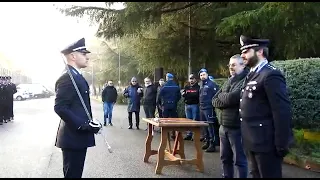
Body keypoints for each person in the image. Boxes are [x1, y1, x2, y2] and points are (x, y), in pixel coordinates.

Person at [239, 35, 293, 178]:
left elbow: (281, 110)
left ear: (260, 52)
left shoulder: (270, 74)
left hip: (266, 143)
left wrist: (282, 143)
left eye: (246, 51)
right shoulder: (252, 74)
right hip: (252, 140)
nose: (242, 55)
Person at [54, 38, 101, 178]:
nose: (87, 57)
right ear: (73, 56)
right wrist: (83, 125)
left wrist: (91, 123)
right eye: (83, 54)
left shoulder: (76, 76)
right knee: (73, 175)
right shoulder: (67, 78)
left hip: (76, 138)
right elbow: (60, 107)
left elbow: (78, 106)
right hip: (72, 136)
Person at [213, 54, 249, 178]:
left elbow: (232, 98)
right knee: (225, 158)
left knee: (240, 160)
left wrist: (224, 97)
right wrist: (225, 98)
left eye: (233, 64)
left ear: (242, 65)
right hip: (223, 127)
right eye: (229, 65)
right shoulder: (228, 81)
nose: (230, 67)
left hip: (237, 128)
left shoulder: (245, 80)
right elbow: (214, 100)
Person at [199, 68, 219, 152]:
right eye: (201, 75)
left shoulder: (212, 84)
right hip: (202, 108)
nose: (202, 76)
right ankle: (207, 141)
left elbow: (217, 95)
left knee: (211, 126)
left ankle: (212, 144)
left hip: (209, 108)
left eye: (204, 74)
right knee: (204, 126)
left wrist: (212, 105)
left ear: (207, 75)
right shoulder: (201, 85)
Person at [157, 73, 181, 139]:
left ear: (167, 78)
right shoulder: (176, 86)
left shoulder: (164, 86)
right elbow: (179, 96)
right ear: (172, 78)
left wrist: (159, 103)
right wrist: (175, 101)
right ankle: (173, 134)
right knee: (174, 120)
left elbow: (159, 95)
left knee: (165, 120)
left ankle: (165, 135)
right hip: (173, 105)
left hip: (166, 105)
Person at [182, 73, 200, 140]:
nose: (191, 80)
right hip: (187, 105)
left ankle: (194, 135)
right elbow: (183, 94)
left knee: (194, 121)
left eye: (192, 78)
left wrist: (188, 94)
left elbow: (195, 95)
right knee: (188, 121)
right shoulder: (186, 87)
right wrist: (189, 94)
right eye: (190, 78)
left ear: (195, 79)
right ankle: (189, 134)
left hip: (194, 105)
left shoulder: (198, 87)